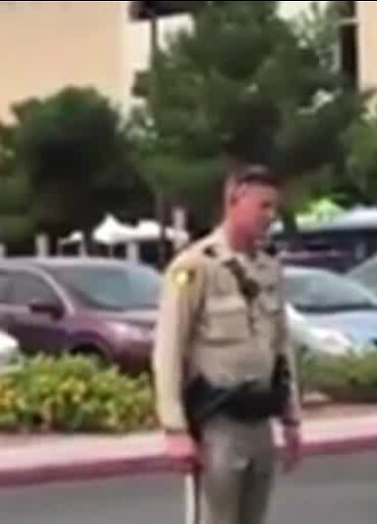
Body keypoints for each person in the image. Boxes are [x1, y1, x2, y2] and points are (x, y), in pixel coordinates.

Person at [153, 165, 303, 524]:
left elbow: (281, 346)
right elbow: (169, 350)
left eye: (274, 208)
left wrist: (291, 418)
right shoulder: (194, 266)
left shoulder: (267, 268)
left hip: (260, 420)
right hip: (218, 423)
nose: (270, 217)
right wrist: (175, 428)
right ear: (235, 200)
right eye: (263, 206)